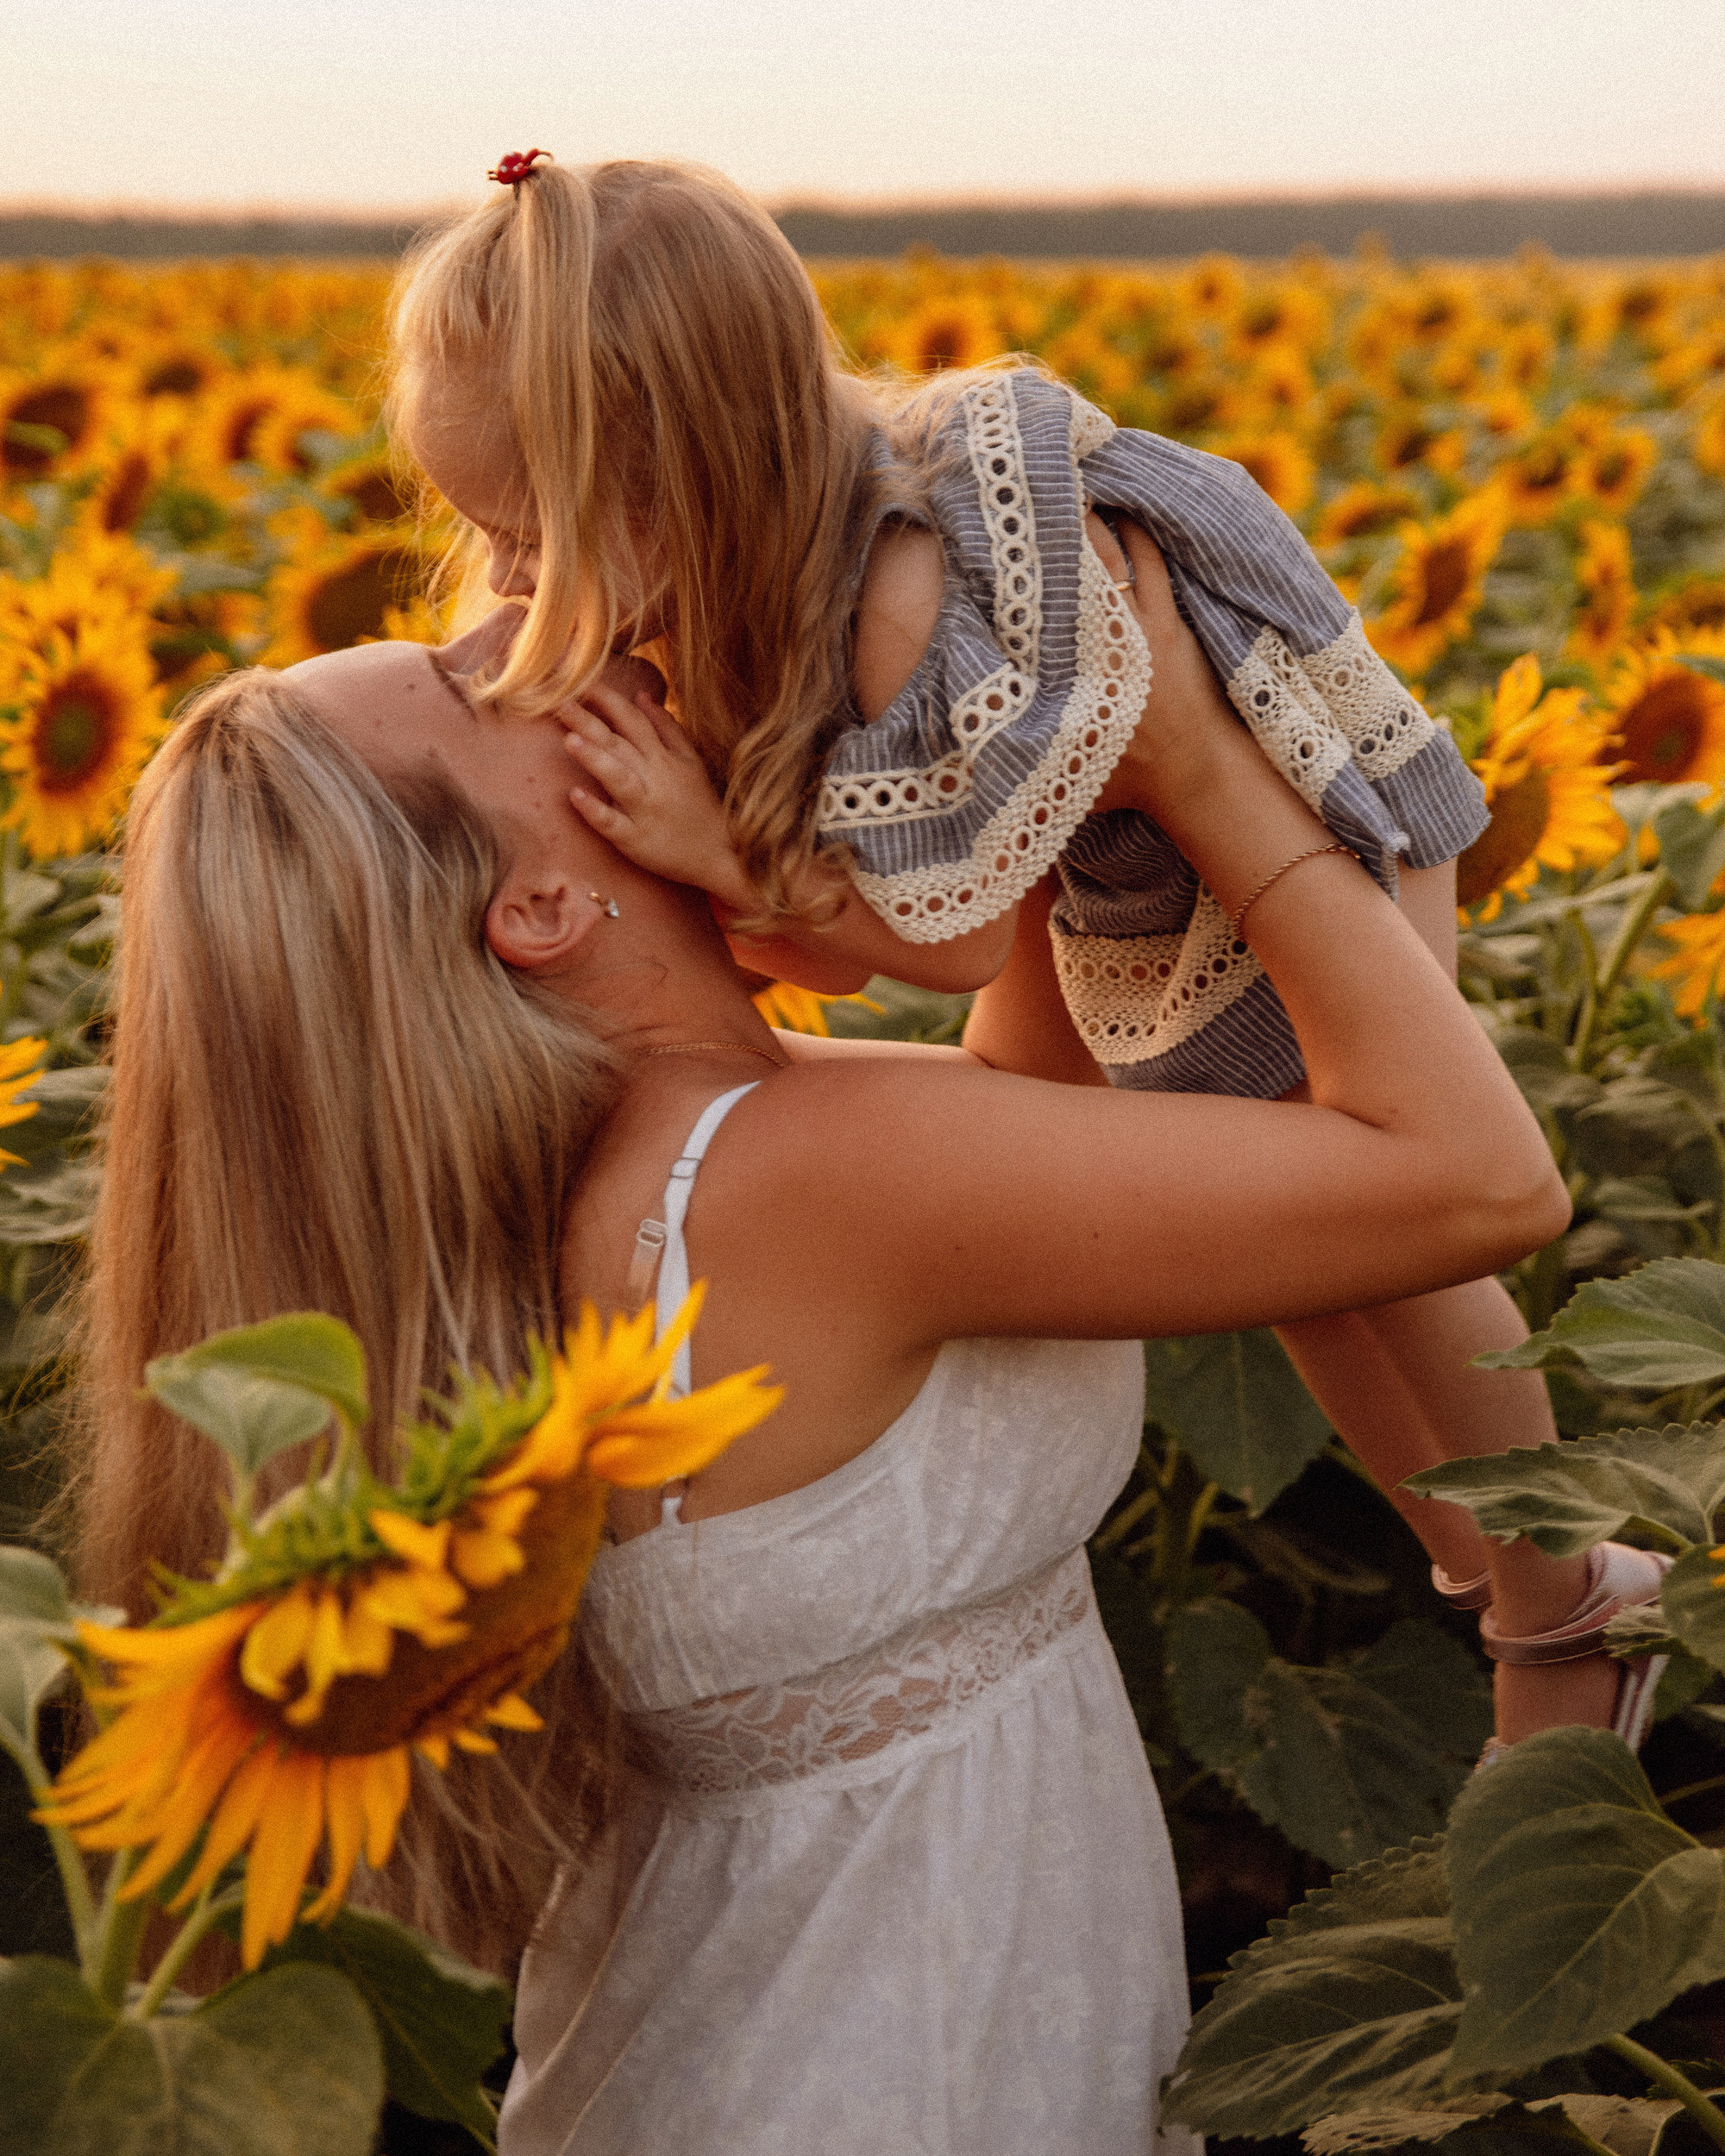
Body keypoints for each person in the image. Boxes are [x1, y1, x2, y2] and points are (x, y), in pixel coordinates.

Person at [78, 530, 1570, 2152]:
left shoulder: (649, 1167)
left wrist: (1029, 707)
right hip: (896, 2075)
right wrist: (1206, 767)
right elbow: (1473, 1181)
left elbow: (1044, 1082)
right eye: (474, 679)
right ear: (547, 901)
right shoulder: (802, 1182)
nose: (523, 608)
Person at [385, 152, 1652, 1747]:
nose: (502, 576)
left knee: (1392, 1228)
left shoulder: (901, 597)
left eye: (526, 529)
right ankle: (1490, 1573)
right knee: (1312, 1262)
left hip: (1303, 817)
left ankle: (1565, 1610)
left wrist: (716, 853)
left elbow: (960, 938)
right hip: (1168, 887)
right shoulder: (763, 585)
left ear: (681, 470)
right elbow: (854, 928)